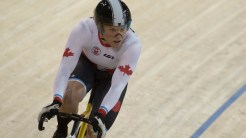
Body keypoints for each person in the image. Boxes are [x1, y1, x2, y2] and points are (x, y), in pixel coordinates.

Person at [38, 0, 141, 137]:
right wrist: (57, 101)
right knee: (70, 95)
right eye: (112, 29)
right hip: (87, 66)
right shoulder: (84, 28)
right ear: (99, 27)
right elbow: (65, 68)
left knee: (93, 132)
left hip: (111, 77)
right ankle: (61, 130)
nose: (119, 35)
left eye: (123, 28)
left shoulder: (132, 45)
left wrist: (101, 113)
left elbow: (118, 85)